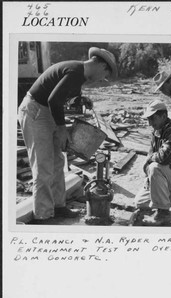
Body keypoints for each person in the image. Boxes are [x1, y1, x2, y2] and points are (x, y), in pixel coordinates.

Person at [18, 47, 118, 223]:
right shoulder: (75, 72)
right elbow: (54, 100)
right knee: (43, 165)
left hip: (45, 111)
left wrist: (81, 100)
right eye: (104, 75)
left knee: (57, 162)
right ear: (101, 66)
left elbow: (65, 97)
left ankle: (58, 206)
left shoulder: (78, 74)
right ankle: (43, 215)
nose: (101, 80)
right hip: (34, 111)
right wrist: (62, 129)